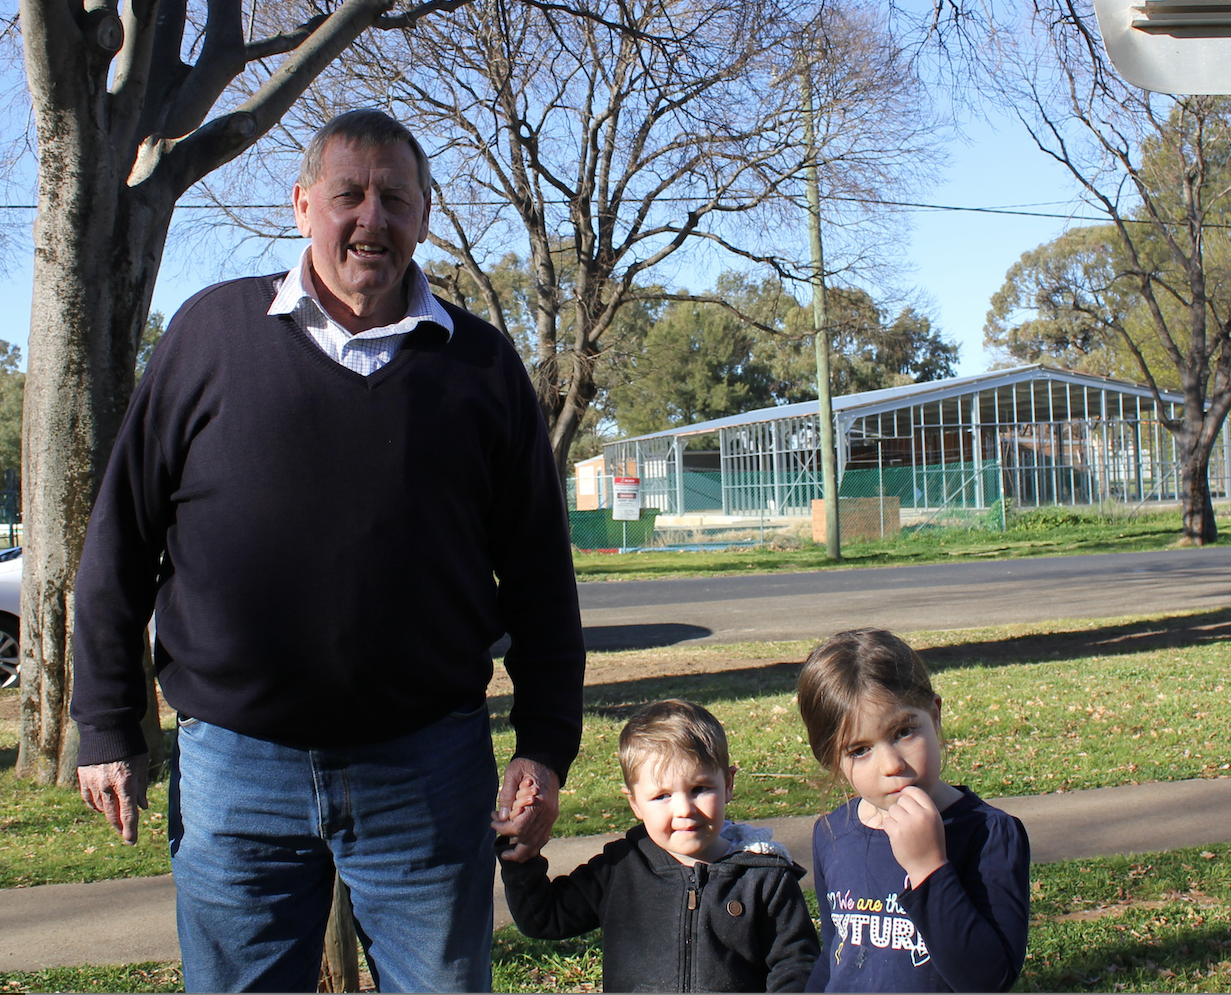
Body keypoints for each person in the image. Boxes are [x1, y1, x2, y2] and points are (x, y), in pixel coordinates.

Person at [69, 108, 585, 993]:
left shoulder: (482, 366)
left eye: (395, 197)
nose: (370, 218)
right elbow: (120, 540)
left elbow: (540, 576)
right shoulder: (208, 335)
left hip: (426, 770)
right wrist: (107, 723)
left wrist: (544, 744)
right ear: (303, 202)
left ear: (424, 214)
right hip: (236, 772)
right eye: (348, 194)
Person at [498, 698, 820, 992]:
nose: (684, 810)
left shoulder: (764, 878)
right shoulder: (620, 868)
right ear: (635, 804)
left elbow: (797, 964)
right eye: (661, 796)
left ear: (729, 784)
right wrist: (521, 861)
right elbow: (544, 917)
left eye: (700, 788)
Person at [796, 628, 1030, 992]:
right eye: (859, 750)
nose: (891, 764)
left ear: (934, 716)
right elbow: (835, 957)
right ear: (832, 759)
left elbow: (988, 979)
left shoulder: (990, 834)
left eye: (904, 731)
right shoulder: (832, 835)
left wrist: (929, 868)